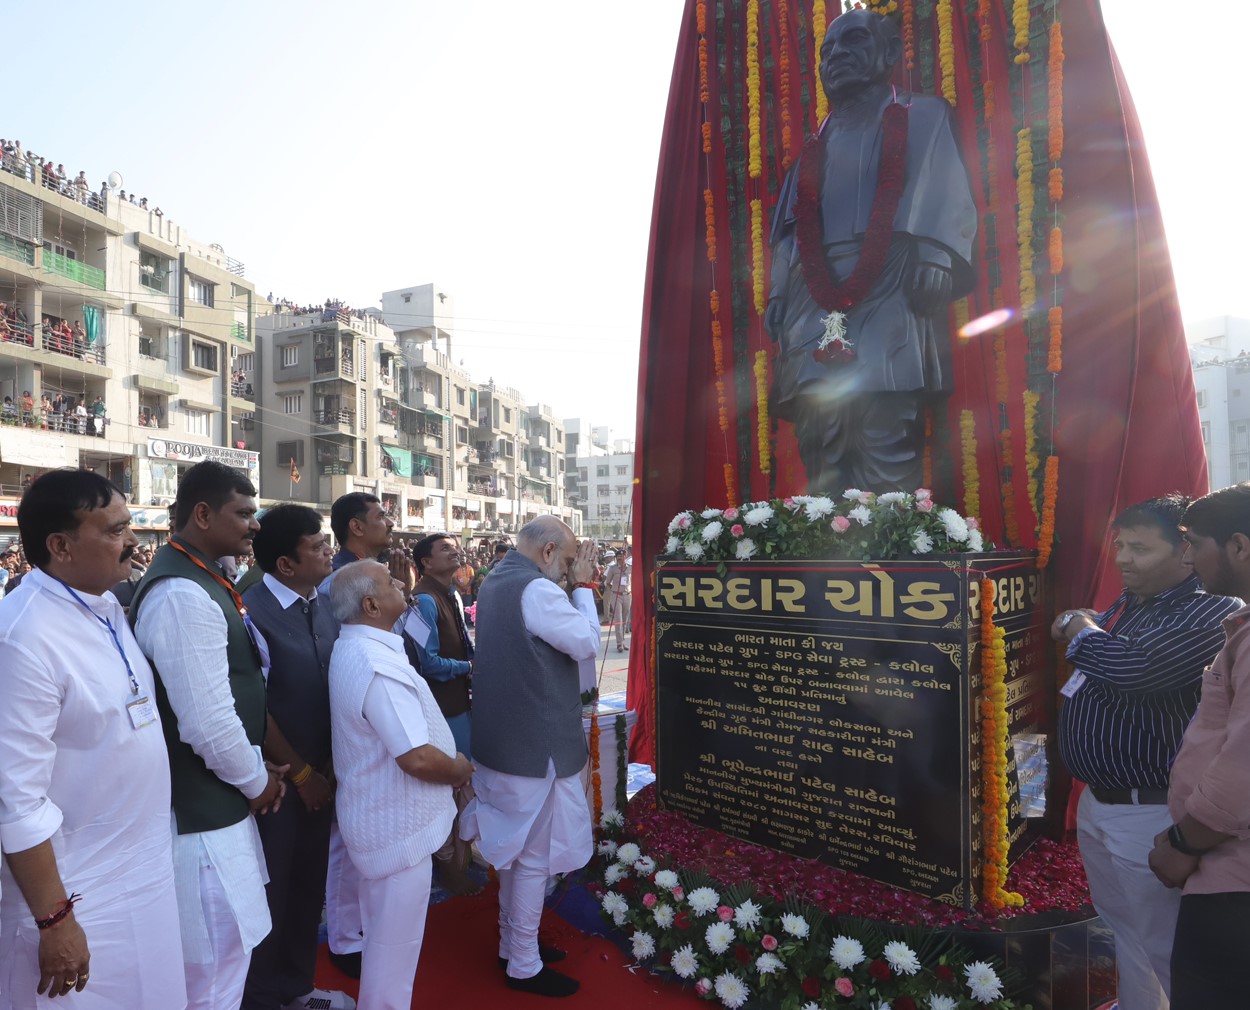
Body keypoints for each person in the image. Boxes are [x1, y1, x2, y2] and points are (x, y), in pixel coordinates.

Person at [765, 8, 976, 493]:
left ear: (890, 53)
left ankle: (890, 542)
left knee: (885, 413)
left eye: (853, 42)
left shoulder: (924, 115)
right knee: (820, 424)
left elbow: (944, 187)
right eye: (827, 51)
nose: (837, 56)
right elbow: (790, 230)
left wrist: (935, 255)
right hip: (811, 292)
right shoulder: (814, 145)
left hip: (892, 275)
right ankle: (825, 535)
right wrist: (779, 293)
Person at [0, 470, 186, 1008]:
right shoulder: (22, 637)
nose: (133, 542)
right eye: (115, 530)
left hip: (144, 877)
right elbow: (17, 801)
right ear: (60, 546)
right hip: (77, 900)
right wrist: (55, 920)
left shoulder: (105, 607)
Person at [1055, 494, 1240, 1010]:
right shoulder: (1135, 600)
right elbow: (1099, 640)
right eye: (1119, 545)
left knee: (1167, 945)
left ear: (1186, 551)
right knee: (1126, 931)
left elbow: (1137, 671)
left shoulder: (1213, 608)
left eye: (1139, 547)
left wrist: (1077, 630)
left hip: (1150, 809)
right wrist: (1083, 621)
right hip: (1103, 800)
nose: (1123, 559)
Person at [130, 461, 286, 1010]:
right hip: (200, 820)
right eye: (243, 513)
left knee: (223, 970)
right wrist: (257, 781)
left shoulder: (206, 577)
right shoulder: (182, 593)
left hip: (218, 807)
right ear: (202, 514)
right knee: (211, 980)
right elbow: (207, 722)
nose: (254, 525)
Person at [460, 516, 600, 997]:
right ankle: (523, 962)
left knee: (520, 858)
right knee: (532, 861)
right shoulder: (539, 591)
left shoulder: (497, 579)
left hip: (503, 744)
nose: (567, 570)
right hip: (533, 748)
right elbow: (585, 641)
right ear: (546, 552)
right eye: (565, 560)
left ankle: (511, 947)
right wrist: (581, 589)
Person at [328, 561, 473, 1010]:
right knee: (394, 950)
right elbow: (416, 757)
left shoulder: (359, 647)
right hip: (395, 829)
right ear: (370, 604)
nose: (401, 584)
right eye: (391, 582)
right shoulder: (373, 662)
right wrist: (459, 770)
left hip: (383, 821)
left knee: (385, 942)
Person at [241, 505, 353, 1010]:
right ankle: (262, 998)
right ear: (285, 564)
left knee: (310, 888)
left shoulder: (322, 603)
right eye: (319, 546)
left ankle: (297, 989)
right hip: (279, 784)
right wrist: (303, 773)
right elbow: (256, 711)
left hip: (324, 777)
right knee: (271, 897)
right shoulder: (249, 611)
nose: (329, 552)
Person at [1147, 485, 1250, 1006]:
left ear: (1239, 546)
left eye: (1195, 542)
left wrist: (1181, 847)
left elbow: (1242, 773)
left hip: (1234, 887)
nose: (1188, 557)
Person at [320, 492, 396, 979]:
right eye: (380, 516)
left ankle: (367, 927)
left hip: (383, 712)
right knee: (349, 839)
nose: (389, 523)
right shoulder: (340, 582)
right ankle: (347, 937)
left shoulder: (373, 570)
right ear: (355, 527)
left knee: (376, 831)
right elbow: (336, 653)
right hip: (357, 716)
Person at [410, 533, 478, 896]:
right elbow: (428, 663)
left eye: (455, 546)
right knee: (450, 789)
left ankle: (458, 863)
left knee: (463, 787)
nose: (455, 551)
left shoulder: (449, 593)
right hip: (441, 710)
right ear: (425, 563)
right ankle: (448, 867)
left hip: (457, 705)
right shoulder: (422, 600)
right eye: (445, 549)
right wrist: (468, 666)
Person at [603, 547, 632, 652]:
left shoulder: (631, 568)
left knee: (625, 620)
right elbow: (607, 582)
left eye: (623, 556)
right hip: (616, 595)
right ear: (616, 558)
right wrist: (613, 589)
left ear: (626, 557)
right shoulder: (613, 568)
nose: (621, 558)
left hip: (627, 595)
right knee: (618, 620)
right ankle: (619, 644)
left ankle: (623, 641)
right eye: (619, 556)